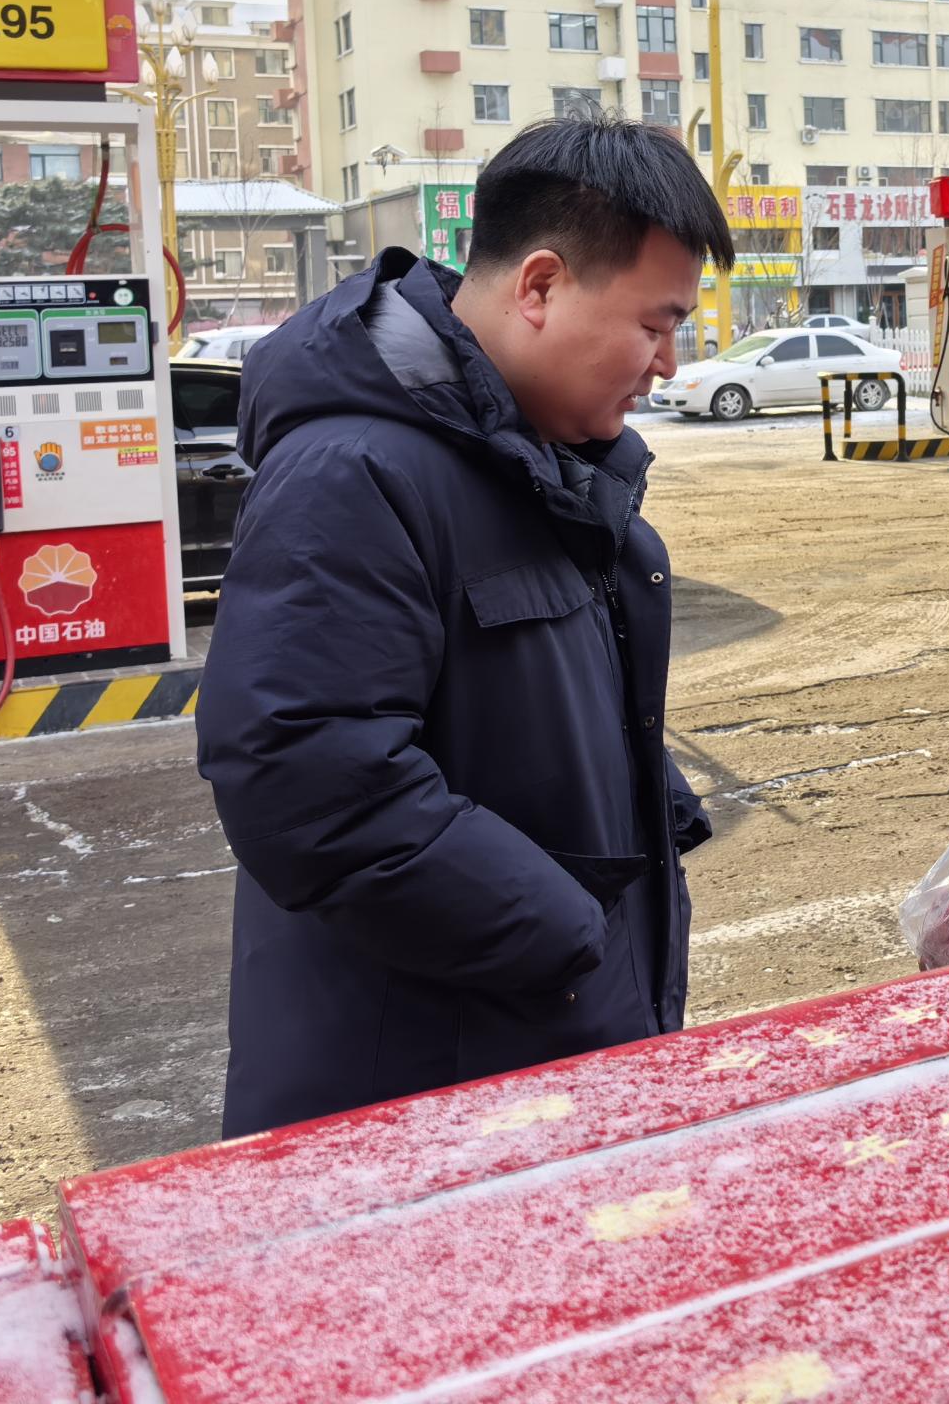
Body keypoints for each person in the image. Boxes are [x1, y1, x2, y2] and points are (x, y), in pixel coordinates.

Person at [196, 113, 734, 1138]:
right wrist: (570, 935)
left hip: (537, 1051)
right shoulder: (355, 472)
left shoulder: (533, 460)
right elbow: (306, 779)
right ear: (539, 286)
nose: (667, 364)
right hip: (423, 1091)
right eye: (655, 325)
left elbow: (525, 696)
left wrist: (640, 807)